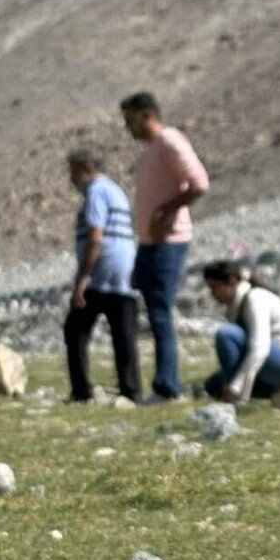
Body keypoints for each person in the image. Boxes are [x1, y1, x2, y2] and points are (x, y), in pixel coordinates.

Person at [121, 91, 208, 403]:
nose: (127, 128)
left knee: (160, 311)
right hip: (149, 242)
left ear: (147, 115)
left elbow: (199, 183)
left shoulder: (170, 141)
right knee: (151, 308)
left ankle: (167, 386)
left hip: (168, 241)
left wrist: (164, 212)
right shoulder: (152, 151)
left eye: (130, 120)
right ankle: (161, 382)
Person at [62, 147, 140, 404]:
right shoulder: (116, 190)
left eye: (73, 172)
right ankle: (131, 390)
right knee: (124, 334)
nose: (71, 179)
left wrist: (83, 278)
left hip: (102, 272)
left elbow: (96, 236)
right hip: (125, 271)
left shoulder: (95, 192)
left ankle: (81, 390)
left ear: (86, 169)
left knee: (75, 330)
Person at [201, 259, 280, 404]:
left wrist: (236, 386)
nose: (212, 294)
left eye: (215, 287)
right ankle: (278, 391)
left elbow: (260, 348)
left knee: (226, 334)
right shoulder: (236, 306)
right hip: (272, 361)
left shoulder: (255, 298)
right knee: (212, 386)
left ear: (232, 282)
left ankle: (235, 397)